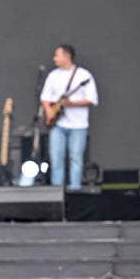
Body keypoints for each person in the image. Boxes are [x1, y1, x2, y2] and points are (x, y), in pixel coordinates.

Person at [40, 44, 98, 190]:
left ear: (67, 56)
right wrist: (49, 111)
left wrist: (71, 104)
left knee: (76, 158)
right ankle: (57, 191)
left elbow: (91, 99)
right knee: (56, 158)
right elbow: (45, 97)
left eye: (57, 55)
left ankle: (75, 190)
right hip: (58, 124)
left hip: (78, 125)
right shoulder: (53, 75)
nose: (54, 59)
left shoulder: (84, 76)